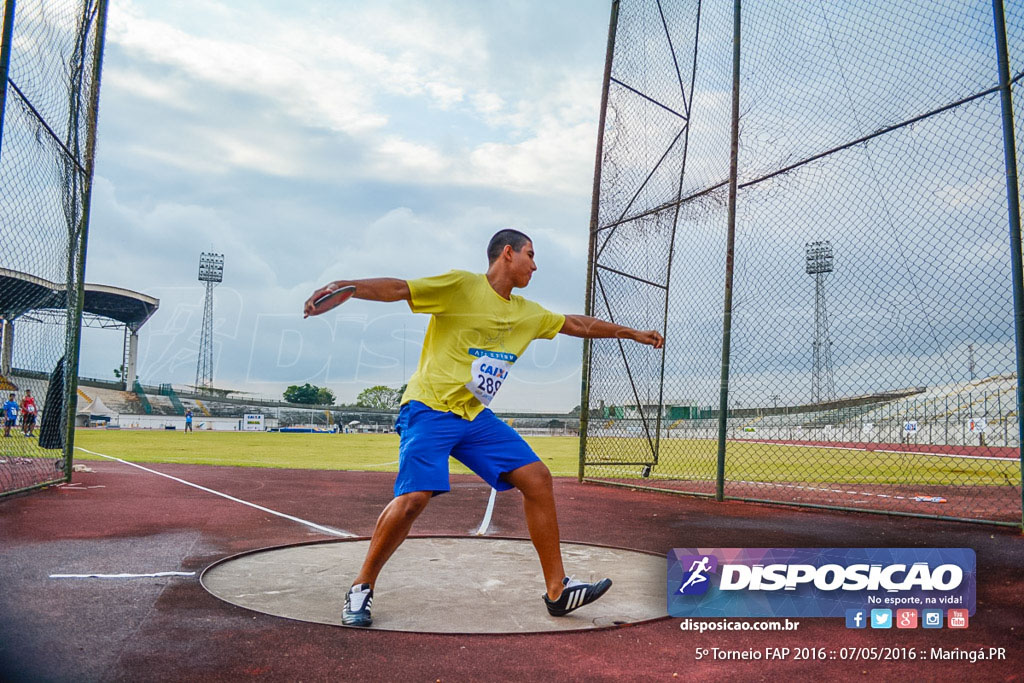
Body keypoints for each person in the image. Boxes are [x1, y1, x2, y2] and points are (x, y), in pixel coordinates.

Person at [304, 229, 664, 627]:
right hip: (428, 407)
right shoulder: (461, 286)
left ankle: (558, 591)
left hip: (474, 417)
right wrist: (348, 287)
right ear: (507, 254)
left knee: (537, 478)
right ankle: (361, 587)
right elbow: (401, 289)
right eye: (530, 254)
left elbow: (576, 324)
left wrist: (629, 332)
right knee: (414, 500)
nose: (535, 264)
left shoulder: (528, 312)